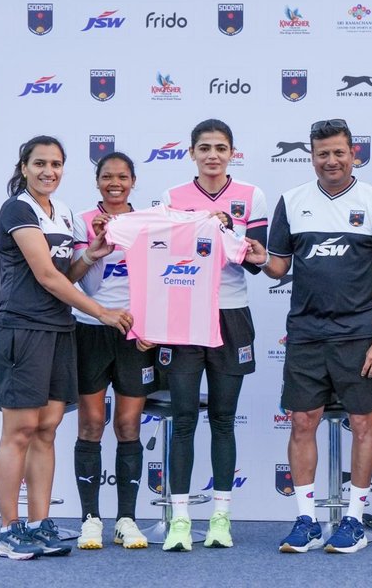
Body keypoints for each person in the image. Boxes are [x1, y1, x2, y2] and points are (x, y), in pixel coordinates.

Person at [248, 118, 372, 554]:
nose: (331, 161)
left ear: (354, 153)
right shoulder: (292, 201)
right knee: (302, 422)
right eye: (322, 153)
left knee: (363, 423)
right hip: (306, 334)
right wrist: (259, 256)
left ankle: (354, 519)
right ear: (312, 156)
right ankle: (306, 520)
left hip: (360, 336)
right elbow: (279, 267)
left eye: (339, 152)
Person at [0, 136, 131, 560]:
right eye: (40, 163)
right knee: (19, 431)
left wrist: (92, 256)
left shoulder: (64, 212)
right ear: (24, 166)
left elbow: (66, 273)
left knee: (48, 428)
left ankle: (38, 523)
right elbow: (47, 277)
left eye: (56, 164)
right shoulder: (17, 208)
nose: (48, 171)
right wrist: (103, 313)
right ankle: (9, 530)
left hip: (59, 330)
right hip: (21, 329)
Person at [154, 119, 268, 551]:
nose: (213, 155)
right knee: (182, 421)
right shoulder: (172, 197)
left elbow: (255, 261)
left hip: (231, 315)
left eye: (221, 148)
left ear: (232, 153)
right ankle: (180, 520)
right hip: (184, 315)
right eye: (204, 148)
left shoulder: (251, 195)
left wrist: (226, 228)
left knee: (222, 419)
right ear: (192, 153)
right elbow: (165, 252)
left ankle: (221, 517)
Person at [72, 152, 154, 550]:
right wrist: (98, 245)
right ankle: (90, 520)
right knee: (89, 424)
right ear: (97, 181)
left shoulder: (149, 224)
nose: (115, 183)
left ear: (134, 181)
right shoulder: (82, 220)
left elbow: (162, 279)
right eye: (107, 176)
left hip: (133, 335)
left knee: (128, 426)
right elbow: (82, 286)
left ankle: (127, 520)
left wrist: (151, 325)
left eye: (123, 176)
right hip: (90, 329)